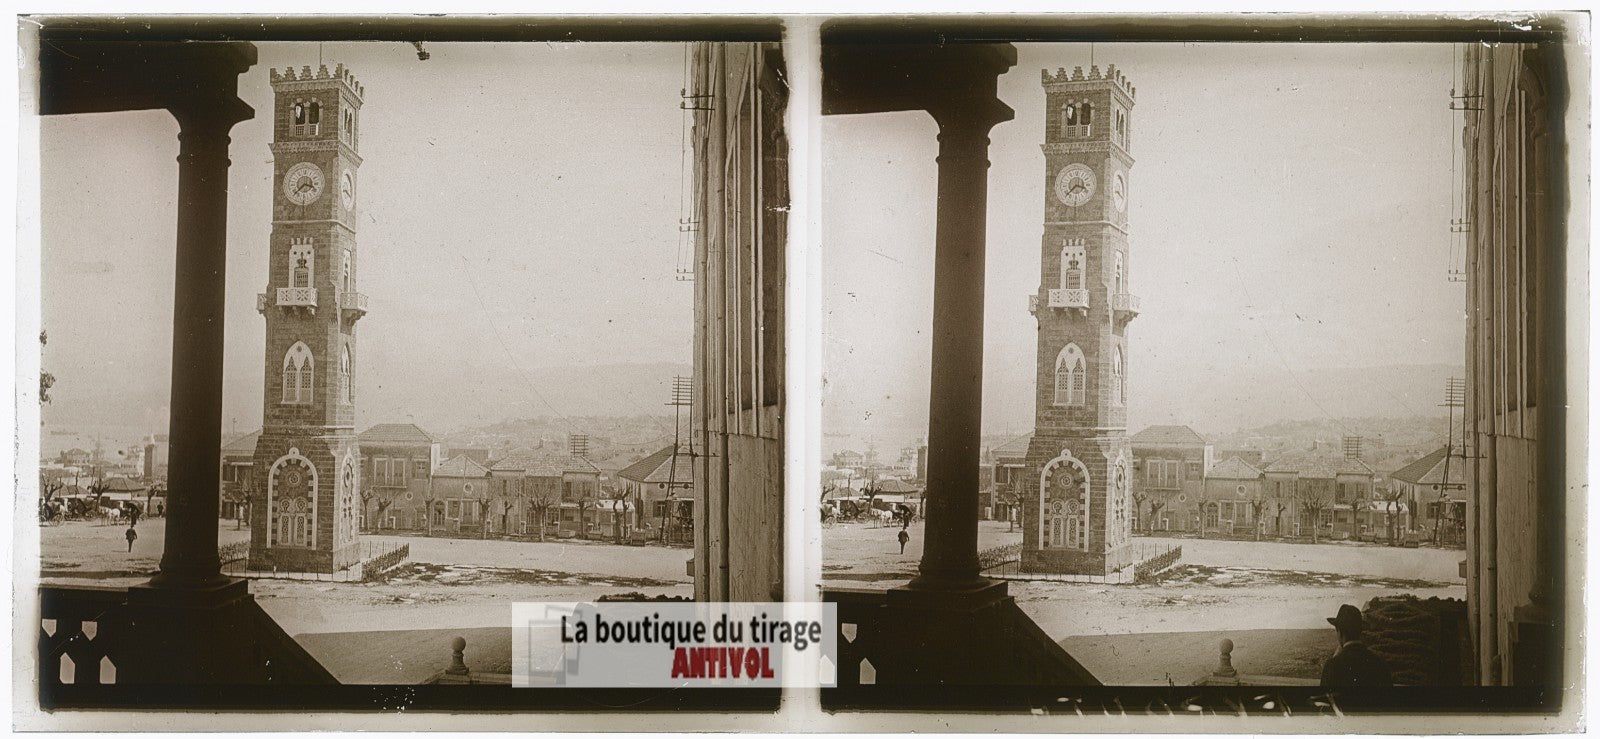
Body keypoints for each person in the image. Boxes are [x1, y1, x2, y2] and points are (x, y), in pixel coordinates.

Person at [1320, 604, 1394, 687]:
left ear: (1340, 632)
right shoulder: (1379, 663)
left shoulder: (1332, 666)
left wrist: (1335, 658)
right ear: (1360, 631)